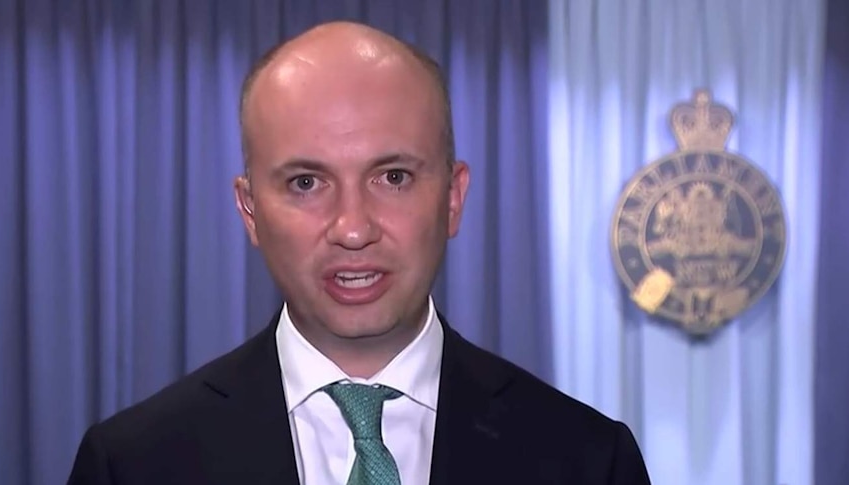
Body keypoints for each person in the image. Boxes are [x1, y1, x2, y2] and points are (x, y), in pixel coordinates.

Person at [67, 21, 651, 485]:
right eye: (305, 183)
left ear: (452, 198)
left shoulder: (591, 462)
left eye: (393, 177)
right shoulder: (133, 465)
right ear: (250, 212)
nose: (351, 228)